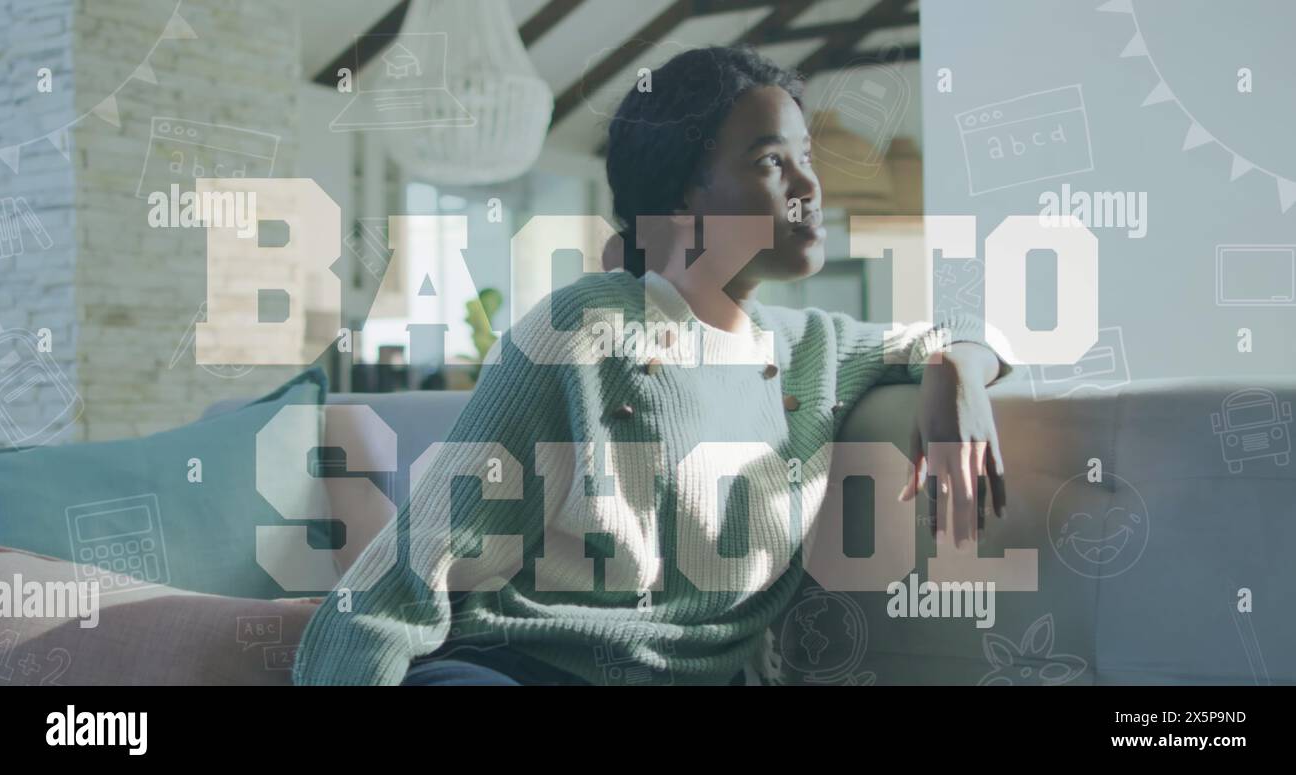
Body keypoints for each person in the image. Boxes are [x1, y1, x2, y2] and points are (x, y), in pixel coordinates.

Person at [292, 46, 1012, 687]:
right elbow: (415, 562)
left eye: (806, 157)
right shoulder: (580, 331)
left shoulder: (814, 346)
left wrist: (954, 369)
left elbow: (968, 329)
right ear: (681, 196)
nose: (809, 184)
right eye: (770, 161)